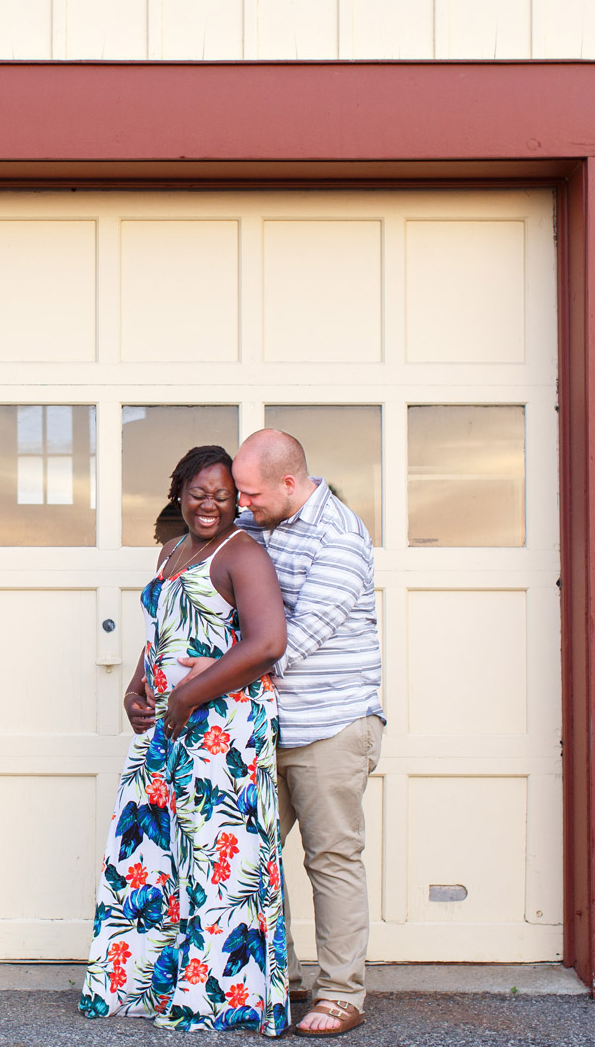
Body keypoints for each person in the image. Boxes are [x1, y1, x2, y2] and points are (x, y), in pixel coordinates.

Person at [131, 429, 384, 1038]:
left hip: (329, 723)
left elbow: (284, 643)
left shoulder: (340, 541)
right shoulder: (264, 523)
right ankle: (281, 976)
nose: (239, 504)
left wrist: (197, 680)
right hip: (255, 725)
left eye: (248, 492)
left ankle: (342, 993)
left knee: (331, 857)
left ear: (289, 483)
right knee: (254, 854)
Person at [80, 445, 293, 1037]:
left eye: (224, 496)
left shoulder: (242, 553)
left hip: (222, 729)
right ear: (179, 492)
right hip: (166, 727)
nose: (211, 505)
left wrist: (186, 697)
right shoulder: (172, 550)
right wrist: (135, 689)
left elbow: (267, 642)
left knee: (217, 862)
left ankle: (222, 999)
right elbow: (161, 635)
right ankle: (150, 985)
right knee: (153, 857)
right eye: (200, 493)